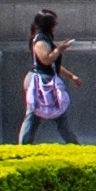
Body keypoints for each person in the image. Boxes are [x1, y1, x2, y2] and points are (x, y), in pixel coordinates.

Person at [16, 9, 76, 143]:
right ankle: (23, 145)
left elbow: (54, 65)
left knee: (43, 115)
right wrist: (59, 49)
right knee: (34, 114)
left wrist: (71, 76)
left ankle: (25, 144)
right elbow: (46, 59)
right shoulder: (40, 40)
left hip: (45, 78)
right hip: (39, 80)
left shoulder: (46, 38)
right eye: (54, 23)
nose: (56, 26)